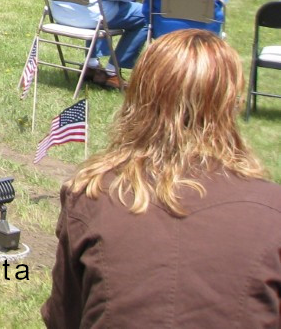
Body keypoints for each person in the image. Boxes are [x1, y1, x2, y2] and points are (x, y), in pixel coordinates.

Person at [42, 31, 281, 329]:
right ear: (231, 103)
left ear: (139, 99)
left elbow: (64, 318)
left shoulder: (91, 195)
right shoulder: (273, 212)